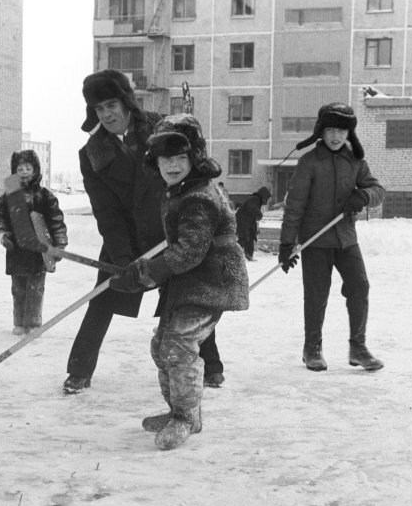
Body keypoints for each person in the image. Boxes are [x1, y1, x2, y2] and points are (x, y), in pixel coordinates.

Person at [64, 69, 225, 394]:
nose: (107, 114)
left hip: (174, 233)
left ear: (126, 103)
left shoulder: (162, 130)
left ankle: (211, 366)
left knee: (185, 300)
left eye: (111, 105)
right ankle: (79, 371)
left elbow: (196, 172)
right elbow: (106, 212)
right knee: (102, 300)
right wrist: (124, 259)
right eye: (99, 109)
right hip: (128, 239)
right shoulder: (92, 155)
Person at [110, 114, 248, 450]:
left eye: (180, 158)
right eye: (165, 159)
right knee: (163, 347)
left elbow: (189, 252)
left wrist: (150, 271)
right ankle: (180, 410)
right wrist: (146, 268)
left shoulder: (199, 197)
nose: (172, 165)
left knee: (177, 345)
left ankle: (185, 417)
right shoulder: (179, 192)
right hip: (191, 281)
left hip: (212, 282)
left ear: (194, 158)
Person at [278, 102, 385, 373]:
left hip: (346, 239)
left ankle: (358, 347)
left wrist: (364, 195)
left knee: (360, 287)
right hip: (316, 241)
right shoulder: (309, 162)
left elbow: (377, 189)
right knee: (316, 295)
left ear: (349, 134)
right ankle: (312, 347)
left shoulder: (356, 161)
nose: (336, 137)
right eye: (330, 131)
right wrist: (286, 243)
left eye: (341, 131)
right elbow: (295, 206)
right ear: (321, 132)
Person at [0, 150, 68, 335]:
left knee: (35, 288)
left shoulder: (44, 195)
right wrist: (2, 234)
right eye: (20, 168)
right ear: (14, 171)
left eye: (28, 167)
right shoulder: (8, 196)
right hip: (16, 250)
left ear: (35, 170)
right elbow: (0, 219)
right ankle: (19, 322)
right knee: (18, 289)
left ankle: (33, 323)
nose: (24, 171)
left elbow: (56, 221)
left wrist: (59, 245)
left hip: (38, 252)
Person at [236, 186, 271, 261]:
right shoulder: (255, 199)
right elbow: (251, 207)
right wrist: (259, 214)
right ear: (263, 195)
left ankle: (248, 254)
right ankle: (235, 254)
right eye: (267, 198)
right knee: (243, 237)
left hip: (247, 220)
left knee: (250, 236)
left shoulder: (257, 199)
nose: (267, 200)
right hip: (243, 220)